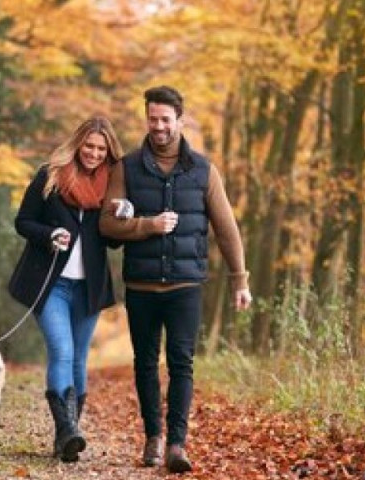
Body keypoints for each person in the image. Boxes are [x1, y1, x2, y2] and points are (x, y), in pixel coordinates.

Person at [99, 85, 253, 473]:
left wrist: (240, 280)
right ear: (146, 119)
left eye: (166, 120)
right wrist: (147, 226)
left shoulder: (203, 171)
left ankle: (177, 445)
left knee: (182, 363)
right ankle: (153, 437)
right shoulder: (127, 168)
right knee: (146, 364)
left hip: (186, 285)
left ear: (179, 121)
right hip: (141, 287)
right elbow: (106, 224)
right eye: (153, 119)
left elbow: (227, 229)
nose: (159, 127)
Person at [8, 115, 124, 462]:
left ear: (108, 152)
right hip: (50, 283)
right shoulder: (52, 175)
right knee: (62, 350)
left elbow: (114, 243)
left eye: (101, 149)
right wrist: (48, 235)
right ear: (77, 144)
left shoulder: (113, 185)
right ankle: (68, 431)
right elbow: (23, 221)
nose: (93, 153)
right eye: (88, 145)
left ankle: (67, 437)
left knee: (80, 358)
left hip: (88, 287)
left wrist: (121, 214)